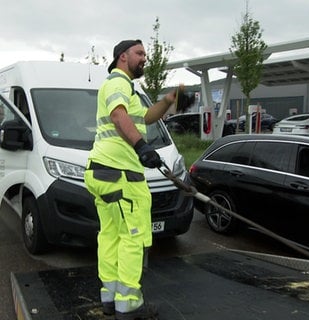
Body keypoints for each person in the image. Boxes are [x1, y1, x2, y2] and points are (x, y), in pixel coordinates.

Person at [84, 39, 179, 320]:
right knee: (132, 239)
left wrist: (167, 101)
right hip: (122, 175)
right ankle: (130, 304)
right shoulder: (118, 83)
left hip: (103, 173)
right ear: (122, 57)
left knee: (111, 236)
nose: (144, 58)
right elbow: (118, 115)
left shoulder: (130, 91)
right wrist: (141, 147)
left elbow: (146, 118)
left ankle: (110, 299)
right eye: (139, 53)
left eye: (145, 54)